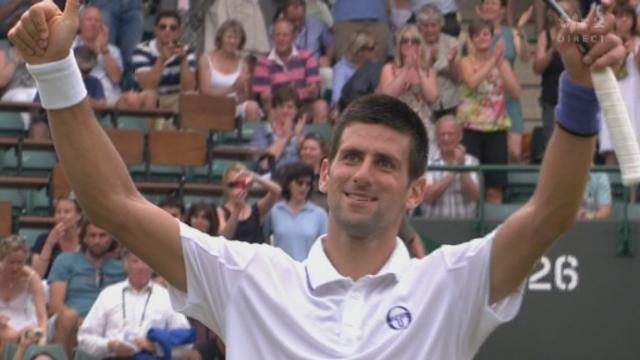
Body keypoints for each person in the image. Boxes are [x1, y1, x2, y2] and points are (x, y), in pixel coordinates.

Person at [9, 1, 624, 358]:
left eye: (386, 164)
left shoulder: (452, 284)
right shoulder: (248, 279)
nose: (364, 173)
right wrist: (57, 70)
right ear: (325, 172)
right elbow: (112, 204)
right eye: (352, 157)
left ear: (415, 190)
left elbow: (550, 213)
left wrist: (575, 91)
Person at [77, 250, 192, 359]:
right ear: (126, 265)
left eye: (145, 261)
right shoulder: (108, 294)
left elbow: (187, 344)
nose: (140, 267)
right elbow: (83, 339)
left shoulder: (166, 297)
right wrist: (110, 346)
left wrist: (155, 347)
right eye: (135, 261)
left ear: (153, 266)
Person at [457, 19, 521, 204]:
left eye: (486, 34)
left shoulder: (502, 63)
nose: (482, 38)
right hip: (470, 128)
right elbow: (472, 82)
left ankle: (494, 230)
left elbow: (516, 92)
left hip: (496, 129)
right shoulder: (465, 62)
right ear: (471, 39)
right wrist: (493, 60)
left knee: (495, 186)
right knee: (473, 185)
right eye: (477, 35)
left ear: (492, 37)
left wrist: (501, 65)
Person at [47, 219, 126, 357]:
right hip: (73, 321)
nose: (97, 241)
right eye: (92, 236)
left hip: (109, 322)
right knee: (68, 316)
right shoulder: (65, 261)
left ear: (111, 238)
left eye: (102, 236)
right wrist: (83, 322)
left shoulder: (121, 268)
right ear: (84, 238)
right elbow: (55, 305)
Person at [477, 0, 532, 162]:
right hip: (486, 98)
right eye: (486, 3)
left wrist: (520, 30)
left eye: (493, 3)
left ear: (502, 10)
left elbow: (525, 57)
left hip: (508, 98)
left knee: (514, 152)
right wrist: (481, 25)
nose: (488, 6)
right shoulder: (476, 33)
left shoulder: (511, 33)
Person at [123, 10, 196, 130]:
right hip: (147, 98)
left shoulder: (186, 51)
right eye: (163, 27)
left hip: (174, 98)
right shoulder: (142, 50)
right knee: (150, 94)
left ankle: (187, 141)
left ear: (178, 32)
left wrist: (183, 61)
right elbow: (147, 86)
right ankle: (148, 139)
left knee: (191, 97)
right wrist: (161, 59)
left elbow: (189, 88)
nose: (167, 31)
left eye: (173, 28)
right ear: (156, 30)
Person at [252, 18, 326, 119]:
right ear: (272, 37)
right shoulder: (263, 62)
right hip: (276, 107)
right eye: (277, 35)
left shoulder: (307, 57)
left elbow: (313, 92)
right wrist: (299, 94)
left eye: (285, 35)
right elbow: (265, 98)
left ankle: (317, 135)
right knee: (270, 108)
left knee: (321, 106)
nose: (281, 39)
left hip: (303, 107)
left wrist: (291, 98)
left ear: (294, 37)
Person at [379, 24, 440, 145]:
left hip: (422, 123)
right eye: (405, 41)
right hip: (395, 122)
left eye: (415, 41)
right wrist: (406, 68)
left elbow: (432, 97)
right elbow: (388, 95)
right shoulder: (389, 68)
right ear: (399, 45)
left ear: (421, 45)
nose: (409, 44)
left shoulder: (429, 71)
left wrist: (419, 70)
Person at [198, 20, 262, 122]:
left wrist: (242, 91)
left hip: (233, 106)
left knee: (253, 107)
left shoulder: (243, 64)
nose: (232, 41)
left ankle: (252, 137)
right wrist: (232, 88)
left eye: (236, 38)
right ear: (221, 38)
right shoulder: (206, 59)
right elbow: (205, 91)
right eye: (229, 37)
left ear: (240, 41)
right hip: (211, 106)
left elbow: (245, 96)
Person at [599, 3, 640, 165]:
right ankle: (610, 190)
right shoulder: (607, 42)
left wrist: (635, 54)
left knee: (632, 150)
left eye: (628, 17)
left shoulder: (638, 42)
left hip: (633, 98)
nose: (624, 21)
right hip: (613, 97)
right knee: (612, 148)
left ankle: (631, 191)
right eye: (620, 16)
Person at [533, 0, 578, 144]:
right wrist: (552, 50)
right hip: (551, 99)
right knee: (552, 142)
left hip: (574, 98)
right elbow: (537, 68)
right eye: (560, 13)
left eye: (567, 13)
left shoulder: (579, 37)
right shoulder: (545, 36)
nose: (563, 17)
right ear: (553, 14)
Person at [265, 162, 328, 261]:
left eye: (308, 184)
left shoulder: (319, 214)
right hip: (280, 271)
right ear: (289, 184)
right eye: (300, 183)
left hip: (308, 272)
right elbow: (265, 240)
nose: (304, 188)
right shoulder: (274, 211)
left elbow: (325, 249)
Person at [422, 116, 480, 219]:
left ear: (460, 136)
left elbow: (474, 196)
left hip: (466, 228)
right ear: (436, 137)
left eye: (450, 134)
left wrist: (462, 167)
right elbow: (428, 196)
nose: (446, 138)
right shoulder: (427, 162)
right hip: (433, 227)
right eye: (442, 134)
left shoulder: (471, 161)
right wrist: (453, 171)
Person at [0, 236, 47, 351]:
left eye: (20, 262)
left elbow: (42, 315)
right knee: (9, 336)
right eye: (11, 262)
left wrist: (42, 336)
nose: (15, 267)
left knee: (31, 335)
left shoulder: (31, 278)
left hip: (23, 320)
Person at [216, 163, 282, 244]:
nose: (237, 188)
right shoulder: (221, 211)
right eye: (232, 184)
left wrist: (255, 177)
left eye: (241, 184)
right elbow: (224, 237)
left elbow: (278, 192)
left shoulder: (257, 209)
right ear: (225, 187)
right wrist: (237, 209)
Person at [416, 4, 461, 120]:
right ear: (419, 27)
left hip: (450, 101)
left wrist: (450, 64)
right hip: (423, 105)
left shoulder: (453, 43)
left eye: (433, 25)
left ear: (441, 25)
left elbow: (458, 79)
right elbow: (416, 78)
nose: (430, 30)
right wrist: (430, 62)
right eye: (425, 26)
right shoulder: (415, 44)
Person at [72, 5, 123, 107]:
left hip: (109, 98)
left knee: (132, 99)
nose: (93, 24)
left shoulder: (112, 51)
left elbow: (116, 79)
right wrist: (94, 51)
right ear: (80, 23)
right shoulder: (70, 46)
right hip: (79, 97)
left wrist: (104, 51)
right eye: (89, 20)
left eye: (97, 20)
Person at [251, 86, 307, 171]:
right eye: (281, 106)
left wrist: (299, 138)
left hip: (298, 177)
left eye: (289, 107)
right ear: (275, 109)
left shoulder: (304, 132)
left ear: (296, 110)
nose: (285, 110)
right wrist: (285, 137)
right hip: (272, 177)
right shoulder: (262, 132)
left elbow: (311, 164)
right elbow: (264, 164)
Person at [31, 198, 83, 279]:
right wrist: (49, 243)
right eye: (58, 212)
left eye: (67, 212)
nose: (61, 216)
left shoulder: (86, 239)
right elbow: (37, 275)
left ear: (78, 216)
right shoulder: (43, 239)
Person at [331, 31, 377, 109]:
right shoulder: (341, 69)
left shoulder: (374, 67)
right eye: (371, 49)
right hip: (350, 109)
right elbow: (337, 98)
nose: (375, 51)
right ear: (360, 51)